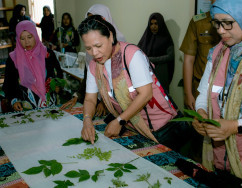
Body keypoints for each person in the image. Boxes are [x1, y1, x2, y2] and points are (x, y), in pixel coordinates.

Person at [78, 15, 194, 152]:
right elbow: (90, 99)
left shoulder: (131, 54)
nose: (95, 53)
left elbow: (145, 94)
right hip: (136, 127)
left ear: (110, 36)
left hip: (165, 128)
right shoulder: (94, 66)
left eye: (98, 46)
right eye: (89, 48)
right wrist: (86, 120)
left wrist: (120, 120)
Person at [193, 0, 242, 184]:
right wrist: (201, 113)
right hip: (220, 159)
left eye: (227, 23)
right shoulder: (218, 52)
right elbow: (204, 94)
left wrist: (234, 126)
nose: (221, 30)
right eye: (217, 23)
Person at [60, 4, 126, 116]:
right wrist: (77, 95)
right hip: (99, 98)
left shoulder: (120, 45)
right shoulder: (91, 47)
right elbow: (89, 74)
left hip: (119, 103)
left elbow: (119, 81)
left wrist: (106, 103)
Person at [3, 20, 65, 111]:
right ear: (18, 39)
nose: (27, 42)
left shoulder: (47, 54)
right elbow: (9, 83)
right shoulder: (13, 59)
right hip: (25, 107)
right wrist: (14, 100)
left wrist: (58, 86)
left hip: (49, 104)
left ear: (35, 35)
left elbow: (58, 73)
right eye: (22, 38)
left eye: (29, 37)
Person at [180, 0, 220, 110]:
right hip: (199, 87)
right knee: (197, 124)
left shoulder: (236, 23)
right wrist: (188, 94)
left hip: (223, 90)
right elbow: (188, 60)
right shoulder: (198, 22)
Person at [138, 13, 174, 92]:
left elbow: (170, 56)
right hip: (146, 75)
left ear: (160, 24)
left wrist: (151, 59)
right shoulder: (145, 38)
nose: (153, 26)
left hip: (160, 74)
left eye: (156, 24)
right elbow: (138, 53)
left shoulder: (166, 39)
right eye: (151, 24)